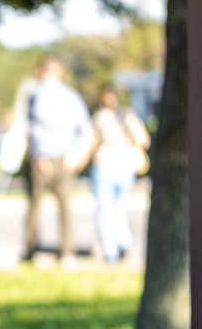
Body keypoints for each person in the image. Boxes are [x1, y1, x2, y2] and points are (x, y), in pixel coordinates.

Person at [20, 54, 93, 267]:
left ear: (42, 71)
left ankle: (31, 250)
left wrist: (38, 154)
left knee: (36, 207)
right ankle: (66, 253)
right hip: (62, 158)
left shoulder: (37, 94)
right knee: (64, 209)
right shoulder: (72, 96)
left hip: (47, 158)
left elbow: (31, 129)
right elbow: (86, 130)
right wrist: (76, 156)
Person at [87, 83, 151, 263]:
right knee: (119, 207)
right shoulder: (128, 116)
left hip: (105, 166)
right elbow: (144, 140)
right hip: (125, 167)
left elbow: (90, 142)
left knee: (105, 208)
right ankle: (124, 242)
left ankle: (111, 250)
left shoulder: (100, 117)